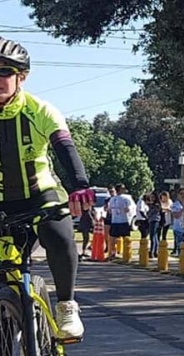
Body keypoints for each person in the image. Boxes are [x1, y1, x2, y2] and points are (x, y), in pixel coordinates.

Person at [0, 37, 91, 339]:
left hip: (41, 197)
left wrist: (79, 186)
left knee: (60, 237)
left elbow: (64, 147)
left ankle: (66, 304)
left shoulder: (40, 110)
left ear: (21, 77)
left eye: (5, 72)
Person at [107, 184, 134, 260]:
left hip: (121, 220)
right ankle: (115, 253)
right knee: (115, 238)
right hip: (118, 220)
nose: (124, 190)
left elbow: (131, 206)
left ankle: (124, 253)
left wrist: (128, 209)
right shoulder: (115, 199)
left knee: (122, 238)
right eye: (123, 188)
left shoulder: (124, 198)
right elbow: (109, 209)